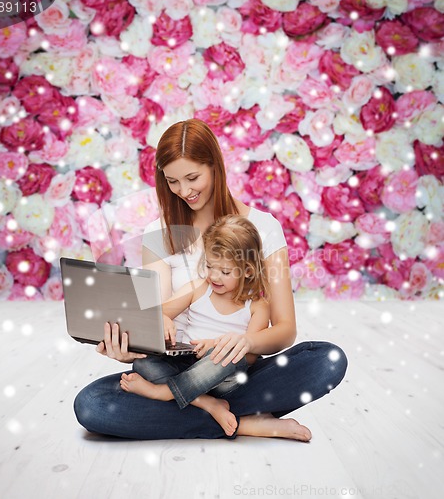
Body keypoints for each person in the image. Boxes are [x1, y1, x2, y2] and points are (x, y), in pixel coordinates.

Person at [74, 118, 348, 441]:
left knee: (327, 360)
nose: (185, 191)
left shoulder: (264, 228)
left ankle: (199, 408)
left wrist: (246, 342)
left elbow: (286, 330)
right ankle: (240, 420)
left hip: (237, 369)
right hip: (174, 367)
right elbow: (159, 317)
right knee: (91, 405)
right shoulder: (158, 234)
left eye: (193, 177)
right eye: (173, 181)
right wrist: (129, 345)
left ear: (215, 166)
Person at [120, 214, 288, 438]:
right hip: (185, 364)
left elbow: (249, 357)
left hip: (221, 375)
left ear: (248, 270)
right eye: (210, 266)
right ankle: (207, 403)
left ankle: (163, 393)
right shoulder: (199, 287)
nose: (214, 276)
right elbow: (158, 314)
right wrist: (164, 320)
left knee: (232, 358)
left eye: (225, 272)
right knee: (144, 364)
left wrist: (216, 347)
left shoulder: (257, 306)